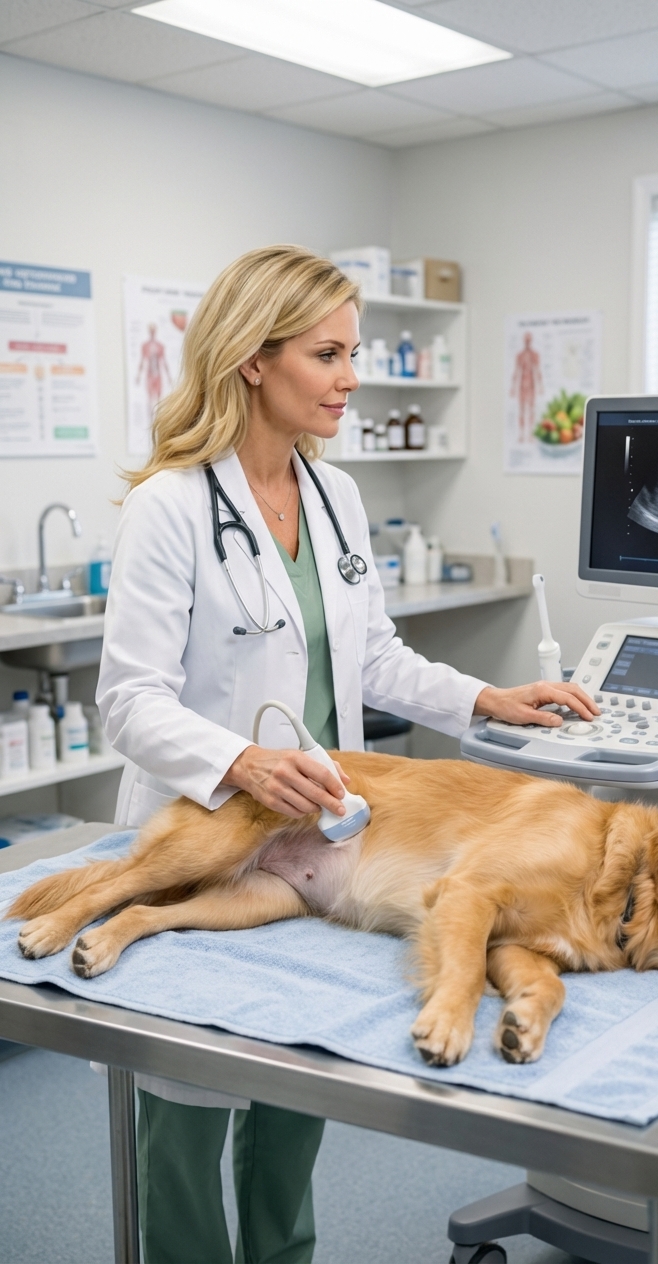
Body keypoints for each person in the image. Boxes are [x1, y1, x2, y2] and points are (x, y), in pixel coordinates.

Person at [97, 244, 597, 1264]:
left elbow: (374, 658)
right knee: (188, 1110)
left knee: (298, 1084)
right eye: (327, 353)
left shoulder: (336, 499)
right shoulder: (170, 507)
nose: (351, 376)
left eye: (351, 351)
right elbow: (128, 701)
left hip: (326, 842)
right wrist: (239, 762)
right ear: (252, 358)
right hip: (206, 829)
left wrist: (485, 695)